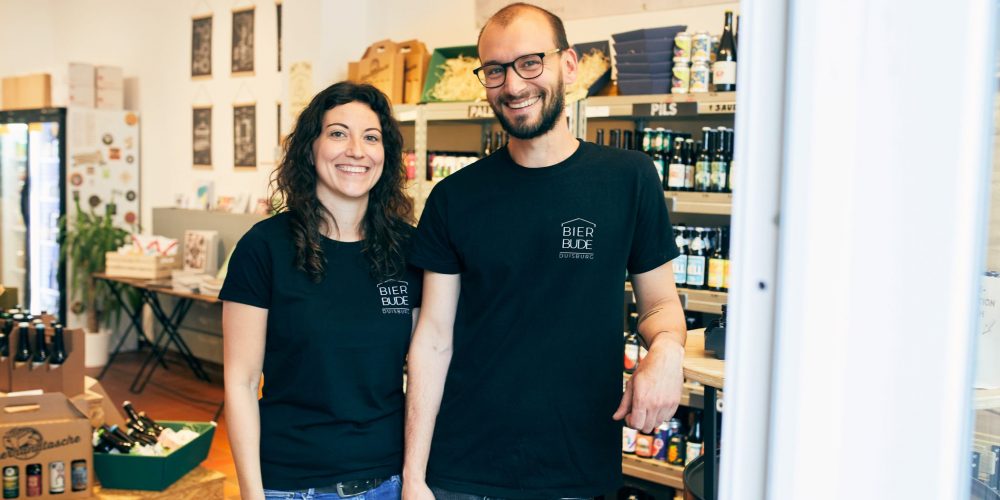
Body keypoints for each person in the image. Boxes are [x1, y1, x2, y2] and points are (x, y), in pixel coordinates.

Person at [401, 3, 688, 499]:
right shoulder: (455, 196)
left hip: (575, 466)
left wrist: (666, 350)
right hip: (462, 469)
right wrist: (414, 475)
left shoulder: (629, 178)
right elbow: (432, 337)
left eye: (530, 62)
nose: (513, 85)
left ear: (569, 66)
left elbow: (661, 305)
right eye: (495, 69)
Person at [221, 81, 422, 500]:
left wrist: (414, 478)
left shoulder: (410, 249)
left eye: (371, 137)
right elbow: (240, 382)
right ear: (310, 148)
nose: (356, 150)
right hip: (291, 484)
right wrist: (251, 494)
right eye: (337, 133)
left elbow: (427, 367)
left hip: (387, 482)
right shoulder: (264, 248)